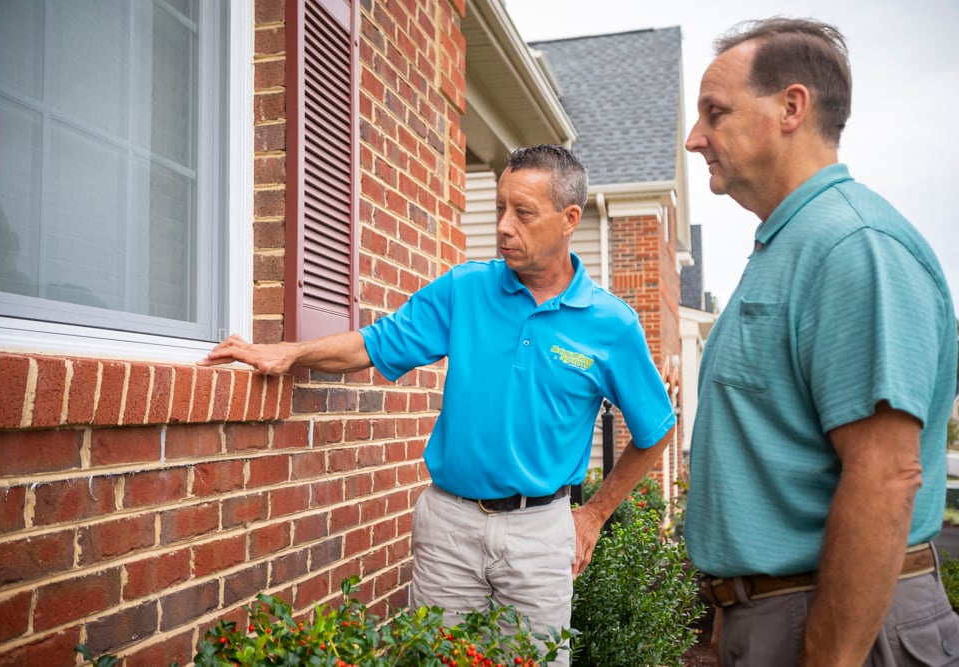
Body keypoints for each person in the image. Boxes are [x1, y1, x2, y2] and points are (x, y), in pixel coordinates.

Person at [200, 144, 677, 666]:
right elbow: (372, 344)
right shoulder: (465, 290)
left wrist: (593, 516)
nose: (503, 226)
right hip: (449, 526)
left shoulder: (611, 325)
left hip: (541, 534)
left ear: (568, 220)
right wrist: (289, 353)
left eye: (522, 212)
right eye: (499, 207)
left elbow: (655, 429)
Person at [683, 17, 959, 666]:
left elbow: (885, 475)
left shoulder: (853, 246)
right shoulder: (789, 244)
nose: (696, 139)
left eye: (714, 113)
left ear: (791, 107)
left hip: (839, 625)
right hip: (773, 616)